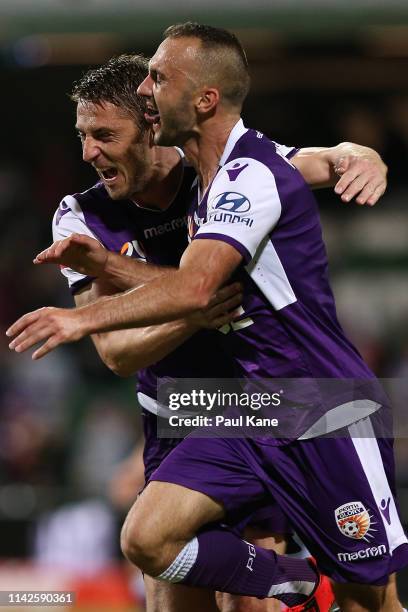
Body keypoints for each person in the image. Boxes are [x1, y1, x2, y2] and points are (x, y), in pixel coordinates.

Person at [7, 25, 406, 611]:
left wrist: (361, 154)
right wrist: (192, 310)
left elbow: (308, 167)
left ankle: (295, 586)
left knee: (349, 598)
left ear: (152, 126)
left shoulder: (219, 176)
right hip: (186, 414)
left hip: (288, 398)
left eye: (104, 135)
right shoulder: (81, 216)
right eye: (82, 136)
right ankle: (295, 581)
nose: (89, 153)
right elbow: (120, 354)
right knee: (165, 582)